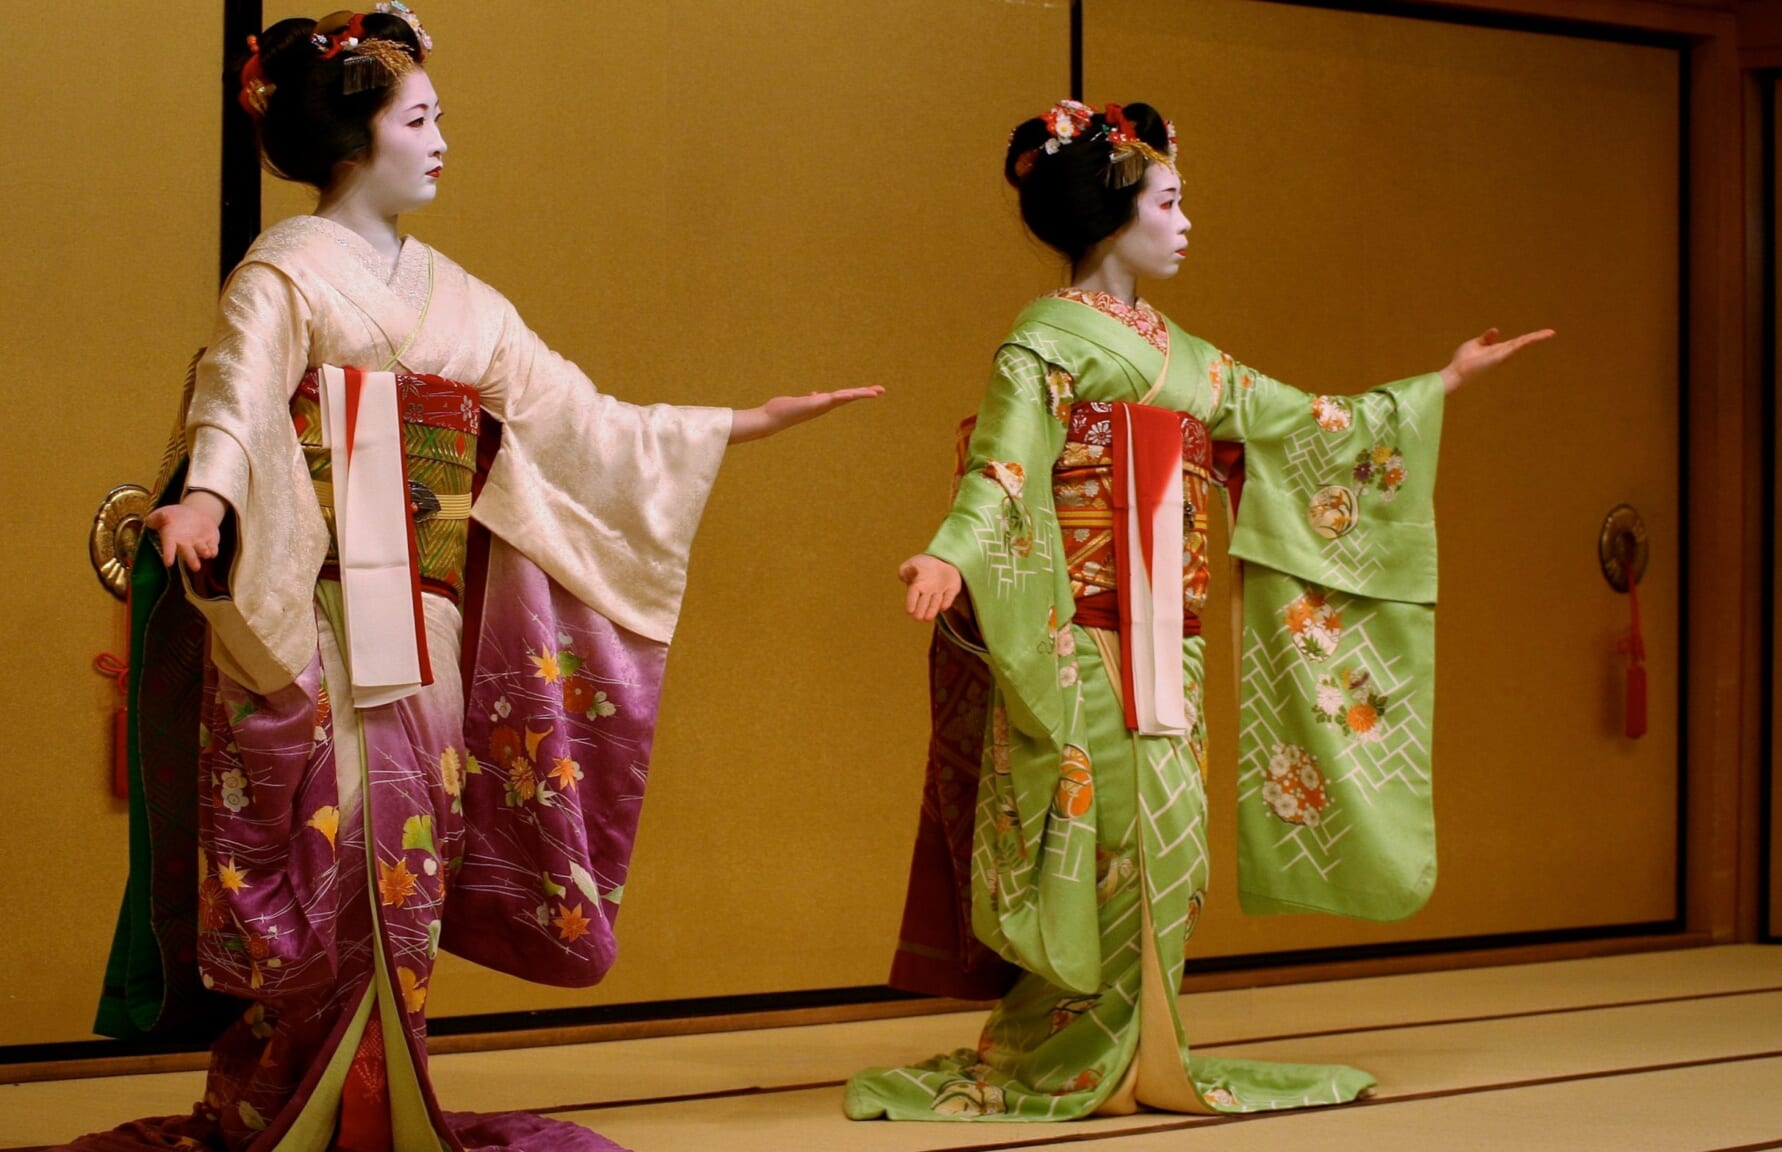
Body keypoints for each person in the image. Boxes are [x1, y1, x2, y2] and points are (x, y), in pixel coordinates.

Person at [80, 8, 877, 1152]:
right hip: (311, 609)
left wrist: (738, 424)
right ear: (355, 142)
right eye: (419, 118)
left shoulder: (466, 302)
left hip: (425, 616)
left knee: (408, 852)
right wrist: (209, 495)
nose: (442, 137)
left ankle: (381, 1104)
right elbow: (238, 397)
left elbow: (582, 421)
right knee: (322, 856)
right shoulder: (283, 274)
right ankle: (289, 1109)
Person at [845, 99, 1548, 1121]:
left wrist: (1437, 384)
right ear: (1112, 215)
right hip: (1082, 637)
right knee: (1103, 838)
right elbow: (1003, 469)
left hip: (1167, 642)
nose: (1184, 224)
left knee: (1174, 848)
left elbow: (1306, 421)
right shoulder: (1041, 344)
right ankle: (1071, 1054)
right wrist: (951, 555)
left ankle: (1149, 1049)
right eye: (1168, 204)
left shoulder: (1186, 355)